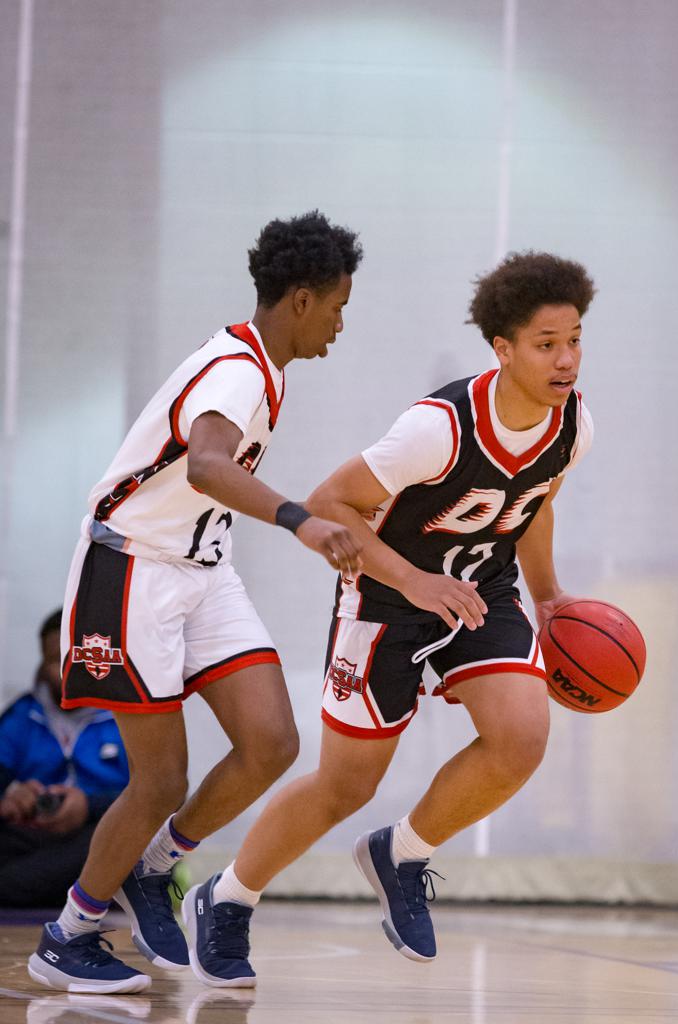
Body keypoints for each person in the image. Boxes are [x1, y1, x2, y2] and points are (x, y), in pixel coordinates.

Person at [177, 250, 596, 986]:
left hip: (480, 591)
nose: (566, 360)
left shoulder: (571, 425)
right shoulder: (437, 426)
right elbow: (329, 501)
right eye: (546, 345)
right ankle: (228, 897)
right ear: (501, 350)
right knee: (345, 786)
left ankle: (400, 853)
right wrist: (414, 581)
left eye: (574, 340)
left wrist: (551, 596)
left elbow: (534, 506)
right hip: (384, 594)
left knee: (521, 737)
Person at [28, 211, 364, 994]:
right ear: (304, 298)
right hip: (132, 571)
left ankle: (157, 866)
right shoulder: (238, 371)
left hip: (202, 568)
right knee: (159, 782)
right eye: (341, 306)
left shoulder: (261, 366)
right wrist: (300, 520)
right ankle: (67, 934)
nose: (342, 324)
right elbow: (209, 467)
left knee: (272, 742)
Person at [0, 609, 128, 907]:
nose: (64, 672)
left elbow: (162, 792)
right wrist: (12, 797)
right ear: (41, 663)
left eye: (72, 660)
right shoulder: (22, 714)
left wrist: (88, 806)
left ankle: (20, 886)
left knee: (123, 842)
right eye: (54, 661)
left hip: (98, 834)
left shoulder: (125, 716)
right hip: (35, 837)